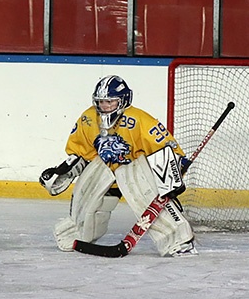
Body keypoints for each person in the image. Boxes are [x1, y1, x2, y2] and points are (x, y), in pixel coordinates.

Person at [39, 75, 196, 257]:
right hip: (104, 169)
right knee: (85, 197)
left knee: (141, 192)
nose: (105, 106)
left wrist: (172, 179)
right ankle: (79, 234)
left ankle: (179, 240)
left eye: (110, 102)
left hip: (135, 170)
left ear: (123, 101)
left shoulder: (139, 120)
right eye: (101, 102)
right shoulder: (89, 119)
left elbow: (166, 149)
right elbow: (82, 153)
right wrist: (64, 171)